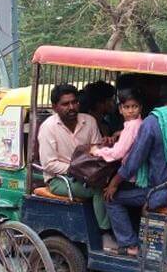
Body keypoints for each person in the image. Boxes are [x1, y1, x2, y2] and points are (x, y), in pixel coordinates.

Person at [103, 92, 167, 257]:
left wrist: (114, 183)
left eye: (134, 106)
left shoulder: (152, 122)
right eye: (127, 107)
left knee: (112, 198)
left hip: (160, 191)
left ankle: (129, 244)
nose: (131, 110)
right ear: (121, 109)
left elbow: (133, 162)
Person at [38, 84, 115, 250]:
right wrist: (78, 170)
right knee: (98, 189)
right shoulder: (48, 128)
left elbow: (96, 150)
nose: (71, 107)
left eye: (74, 102)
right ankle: (104, 233)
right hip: (59, 180)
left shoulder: (89, 121)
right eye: (65, 104)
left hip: (88, 174)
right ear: (55, 107)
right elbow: (49, 164)